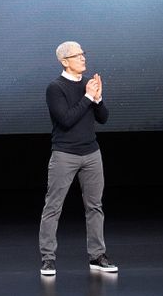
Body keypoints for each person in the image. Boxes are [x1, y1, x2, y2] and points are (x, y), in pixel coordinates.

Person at [38, 40, 117, 277]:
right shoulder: (55, 88)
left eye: (83, 53)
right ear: (65, 61)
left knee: (95, 206)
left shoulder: (88, 85)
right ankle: (48, 259)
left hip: (92, 153)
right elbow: (66, 119)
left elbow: (103, 118)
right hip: (65, 154)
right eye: (77, 55)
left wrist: (98, 98)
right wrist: (88, 97)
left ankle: (97, 256)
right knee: (53, 207)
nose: (83, 57)